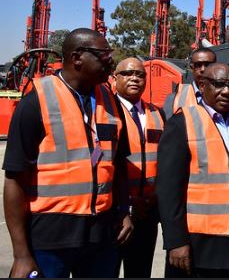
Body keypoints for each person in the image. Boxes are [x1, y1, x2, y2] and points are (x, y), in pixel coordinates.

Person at [2, 28, 133, 278]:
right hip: (51, 238)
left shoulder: (109, 99)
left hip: (101, 235)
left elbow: (118, 165)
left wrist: (123, 212)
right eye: (103, 54)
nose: (111, 61)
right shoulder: (36, 101)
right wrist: (21, 254)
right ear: (77, 58)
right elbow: (14, 180)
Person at [157, 62, 229, 278]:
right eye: (218, 84)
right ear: (202, 85)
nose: (226, 91)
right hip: (202, 246)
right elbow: (168, 191)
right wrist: (176, 241)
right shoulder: (182, 123)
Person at [113, 57, 165, 278]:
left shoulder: (158, 114)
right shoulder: (106, 113)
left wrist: (154, 198)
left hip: (148, 212)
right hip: (115, 213)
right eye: (127, 73)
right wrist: (126, 202)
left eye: (140, 74)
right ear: (115, 78)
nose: (134, 78)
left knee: (140, 271)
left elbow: (165, 161)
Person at [163, 47, 216, 119]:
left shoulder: (226, 98)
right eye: (198, 65)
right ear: (192, 67)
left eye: (208, 65)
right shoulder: (173, 99)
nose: (203, 69)